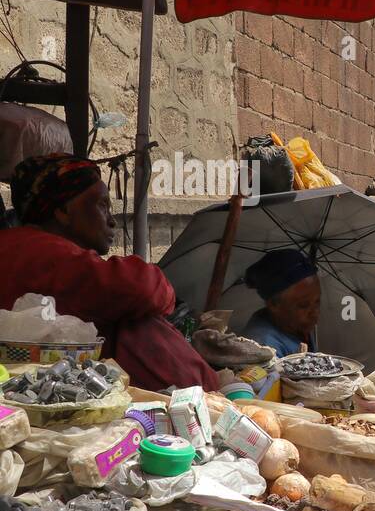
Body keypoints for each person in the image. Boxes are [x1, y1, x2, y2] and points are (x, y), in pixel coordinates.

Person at [0, 154, 217, 391]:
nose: (112, 220)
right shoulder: (46, 253)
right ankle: (206, 392)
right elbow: (143, 289)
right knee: (139, 324)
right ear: (63, 210)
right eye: (102, 205)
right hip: (39, 388)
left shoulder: (20, 244)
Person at [241, 248, 321, 358]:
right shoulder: (263, 348)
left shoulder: (296, 326)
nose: (314, 313)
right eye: (303, 305)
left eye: (317, 302)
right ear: (274, 304)